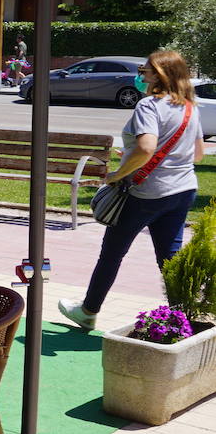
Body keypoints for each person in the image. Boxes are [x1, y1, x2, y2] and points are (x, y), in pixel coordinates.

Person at [59, 49, 205, 330]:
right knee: (170, 258)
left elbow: (146, 147)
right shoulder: (189, 106)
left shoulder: (150, 105)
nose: (141, 76)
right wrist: (135, 154)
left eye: (145, 71)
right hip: (183, 190)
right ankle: (181, 319)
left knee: (112, 252)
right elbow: (197, 154)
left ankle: (88, 311)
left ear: (159, 76)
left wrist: (118, 173)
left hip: (146, 193)